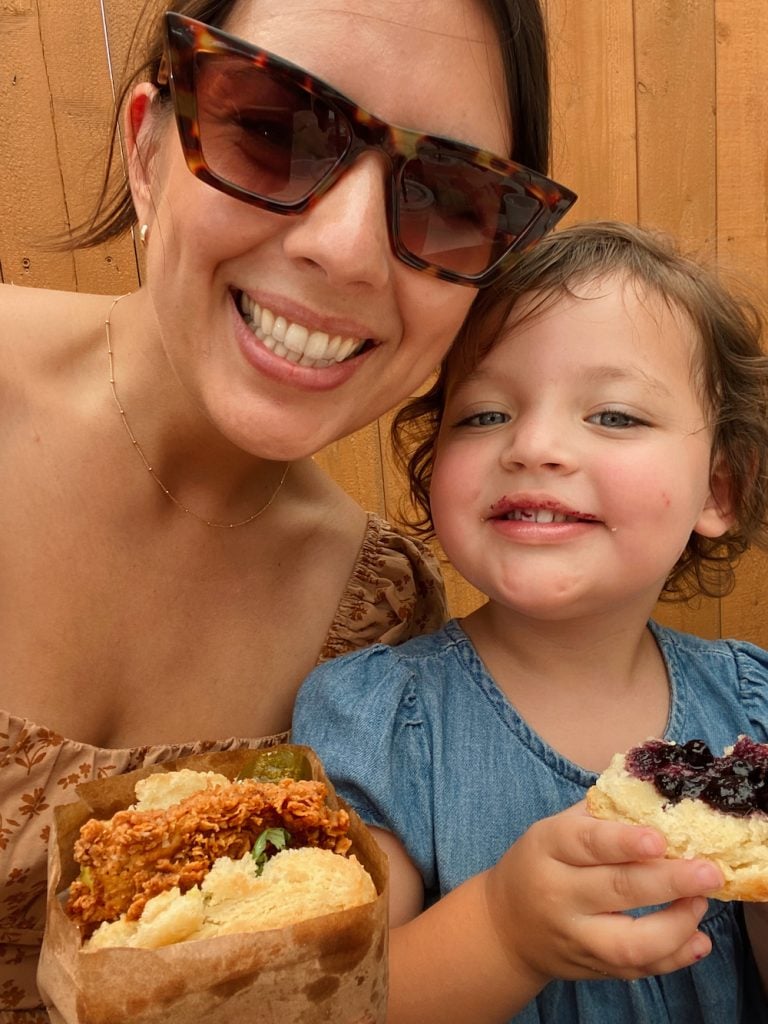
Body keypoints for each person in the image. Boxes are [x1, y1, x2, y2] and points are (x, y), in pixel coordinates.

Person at [0, 0, 581, 1016]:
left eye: (446, 194)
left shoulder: (383, 633)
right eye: (270, 128)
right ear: (148, 149)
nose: (347, 249)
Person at [293, 221, 768, 1023]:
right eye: (483, 415)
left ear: (719, 489)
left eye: (614, 416)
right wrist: (504, 936)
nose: (535, 445)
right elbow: (340, 999)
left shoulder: (752, 706)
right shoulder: (384, 720)